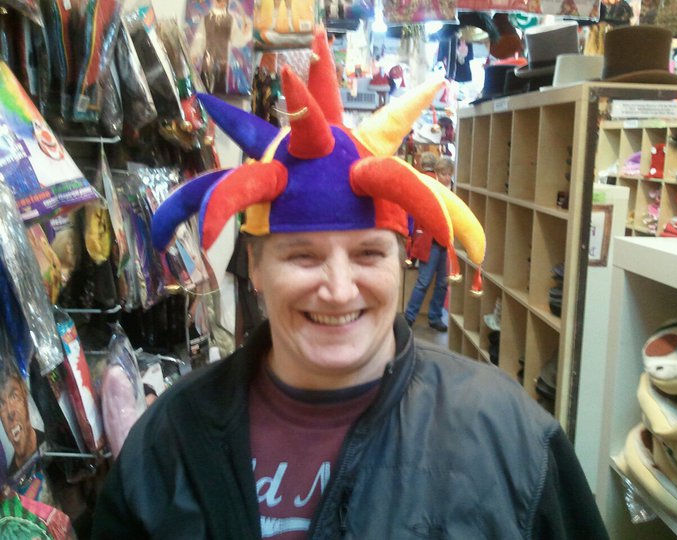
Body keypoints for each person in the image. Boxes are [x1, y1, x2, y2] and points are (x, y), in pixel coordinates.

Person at [92, 30, 608, 539]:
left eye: (368, 254)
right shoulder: (169, 444)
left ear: (400, 260)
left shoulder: (511, 441)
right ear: (256, 266)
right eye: (303, 256)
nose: (339, 290)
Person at [404, 154, 452, 332]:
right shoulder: (430, 188)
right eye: (445, 174)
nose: (448, 178)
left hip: (443, 243)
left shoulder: (449, 192)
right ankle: (409, 317)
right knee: (424, 282)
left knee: (442, 283)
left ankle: (434, 317)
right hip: (430, 242)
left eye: (450, 174)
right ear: (438, 173)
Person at [0, 371, 44, 476]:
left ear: (25, 397)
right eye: (1, 404)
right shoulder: (10, 478)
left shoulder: (52, 442)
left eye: (14, 396)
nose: (10, 412)